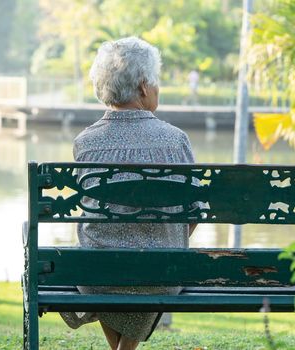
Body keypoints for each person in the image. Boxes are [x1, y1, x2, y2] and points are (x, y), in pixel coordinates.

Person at [59, 37, 197, 350]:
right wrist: (167, 238)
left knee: (105, 262)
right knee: (151, 271)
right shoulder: (175, 141)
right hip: (161, 273)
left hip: (97, 275)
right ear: (144, 88)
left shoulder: (86, 142)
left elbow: (91, 208)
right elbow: (194, 213)